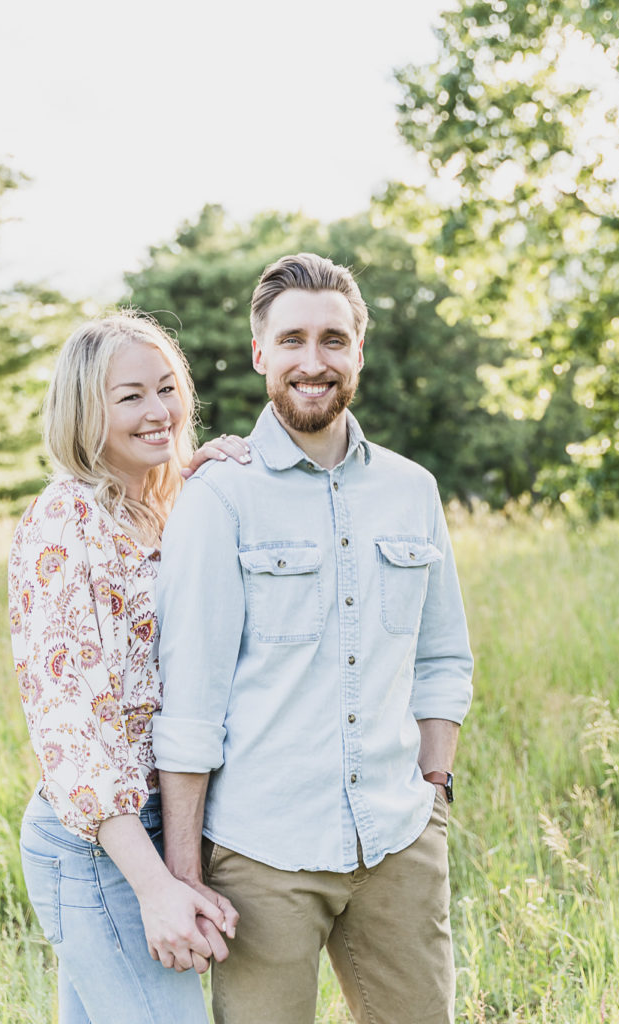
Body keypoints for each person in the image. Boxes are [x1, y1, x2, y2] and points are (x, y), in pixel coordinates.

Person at [154, 253, 474, 1024]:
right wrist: (186, 870)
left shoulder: (412, 489)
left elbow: (442, 657)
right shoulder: (219, 497)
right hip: (263, 856)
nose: (313, 360)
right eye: (292, 339)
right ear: (261, 352)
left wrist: (432, 789)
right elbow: (190, 703)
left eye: (334, 339)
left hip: (399, 842)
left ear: (359, 351)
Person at [8, 311, 246, 1024]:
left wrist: (225, 481)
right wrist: (157, 884)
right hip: (96, 841)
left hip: (153, 822)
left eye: (167, 389)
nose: (159, 412)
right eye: (131, 396)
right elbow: (70, 724)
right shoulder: (66, 521)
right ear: (87, 411)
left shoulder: (179, 507)